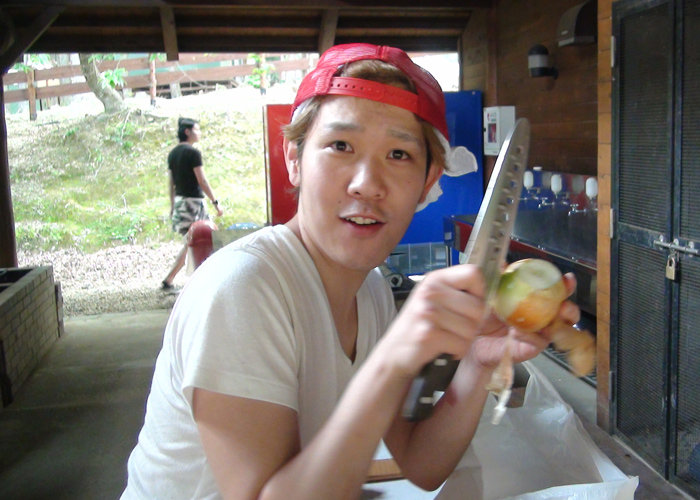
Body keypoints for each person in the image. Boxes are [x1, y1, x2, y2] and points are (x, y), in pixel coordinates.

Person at [123, 44, 580, 500]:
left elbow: (421, 463)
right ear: (294, 159)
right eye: (340, 146)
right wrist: (390, 361)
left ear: (427, 182)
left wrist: (477, 362)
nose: (367, 184)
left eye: (398, 154)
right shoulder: (243, 289)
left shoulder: (371, 293)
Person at [162, 117, 224, 290]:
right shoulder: (193, 153)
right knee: (200, 239)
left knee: (190, 241)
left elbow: (171, 183)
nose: (199, 133)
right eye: (197, 129)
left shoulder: (173, 154)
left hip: (180, 202)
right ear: (187, 132)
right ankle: (199, 278)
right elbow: (202, 180)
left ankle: (172, 278)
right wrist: (215, 202)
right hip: (194, 204)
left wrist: (173, 205)